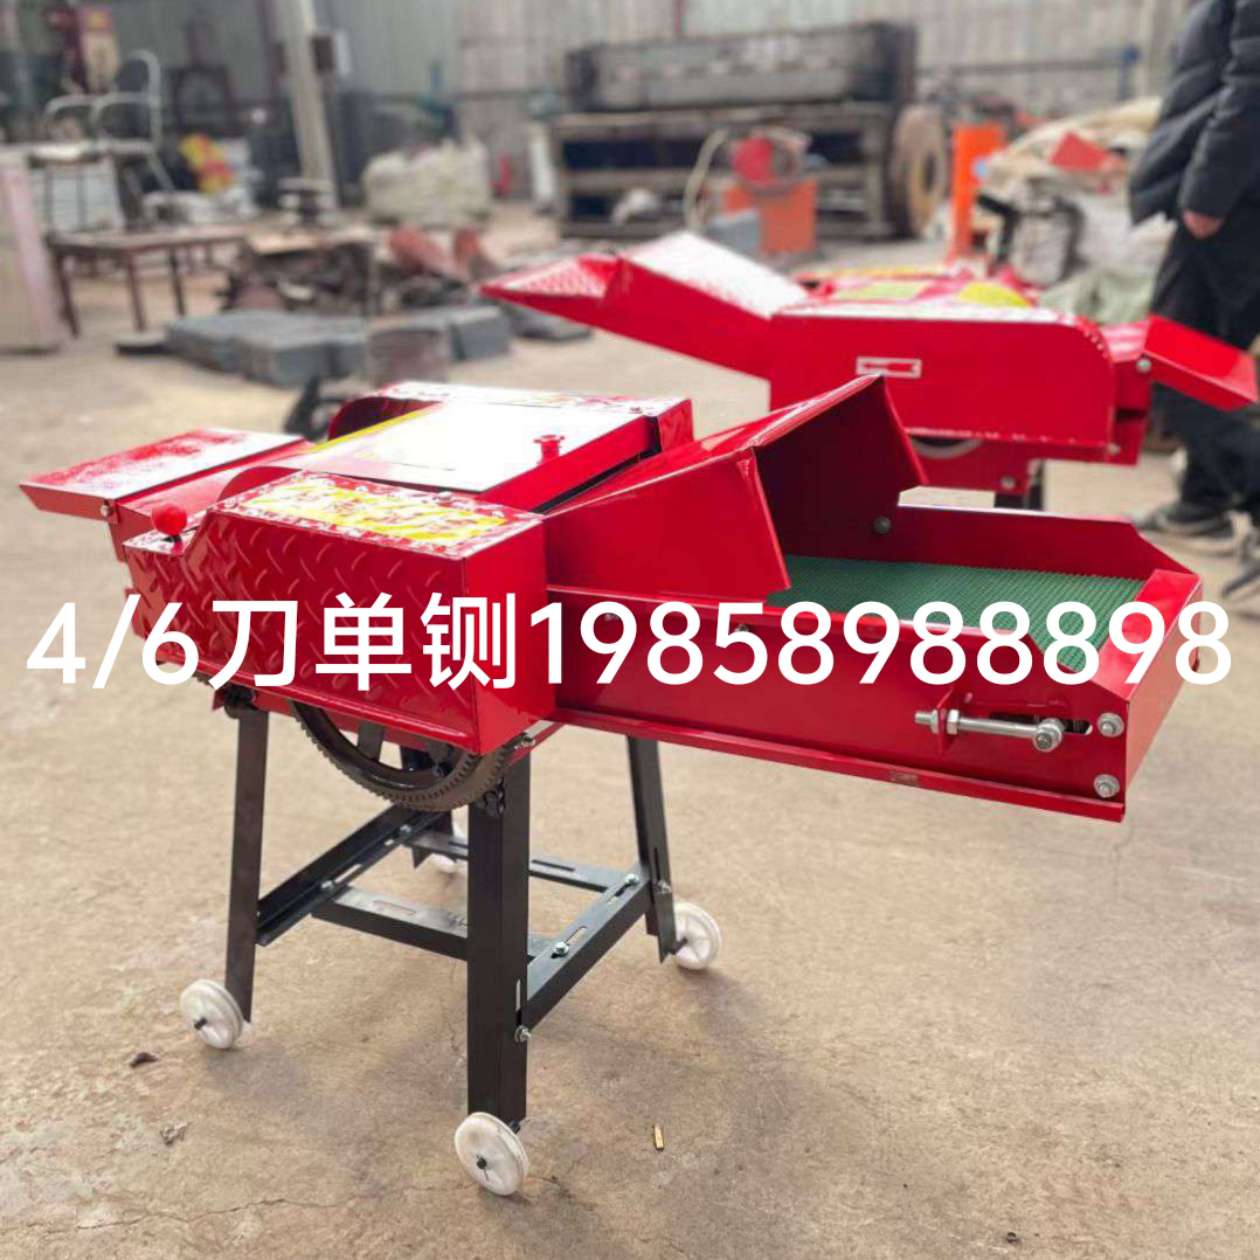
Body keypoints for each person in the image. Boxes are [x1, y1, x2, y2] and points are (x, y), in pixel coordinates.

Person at [1129, 0, 1260, 601]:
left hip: (1235, 204)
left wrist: (1207, 193)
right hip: (1241, 198)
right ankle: (1203, 501)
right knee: (1214, 358)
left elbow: (1253, 83)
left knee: (1174, 360)